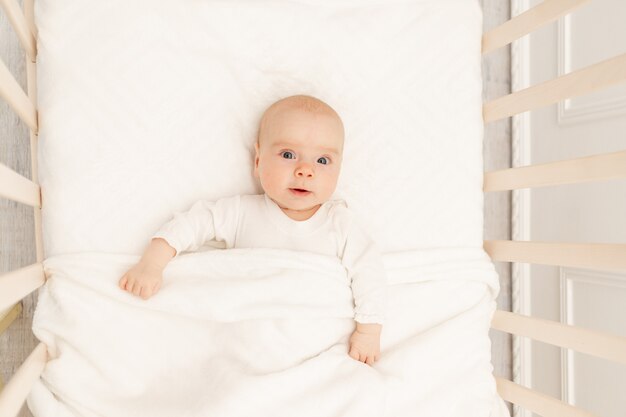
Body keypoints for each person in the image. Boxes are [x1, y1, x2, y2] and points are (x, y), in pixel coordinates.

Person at [118, 94, 387, 365]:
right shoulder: (242, 213)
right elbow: (192, 223)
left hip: (313, 340)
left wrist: (368, 331)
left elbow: (369, 273)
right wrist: (152, 264)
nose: (305, 170)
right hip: (245, 340)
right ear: (258, 161)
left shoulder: (341, 224)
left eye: (323, 161)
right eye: (288, 155)